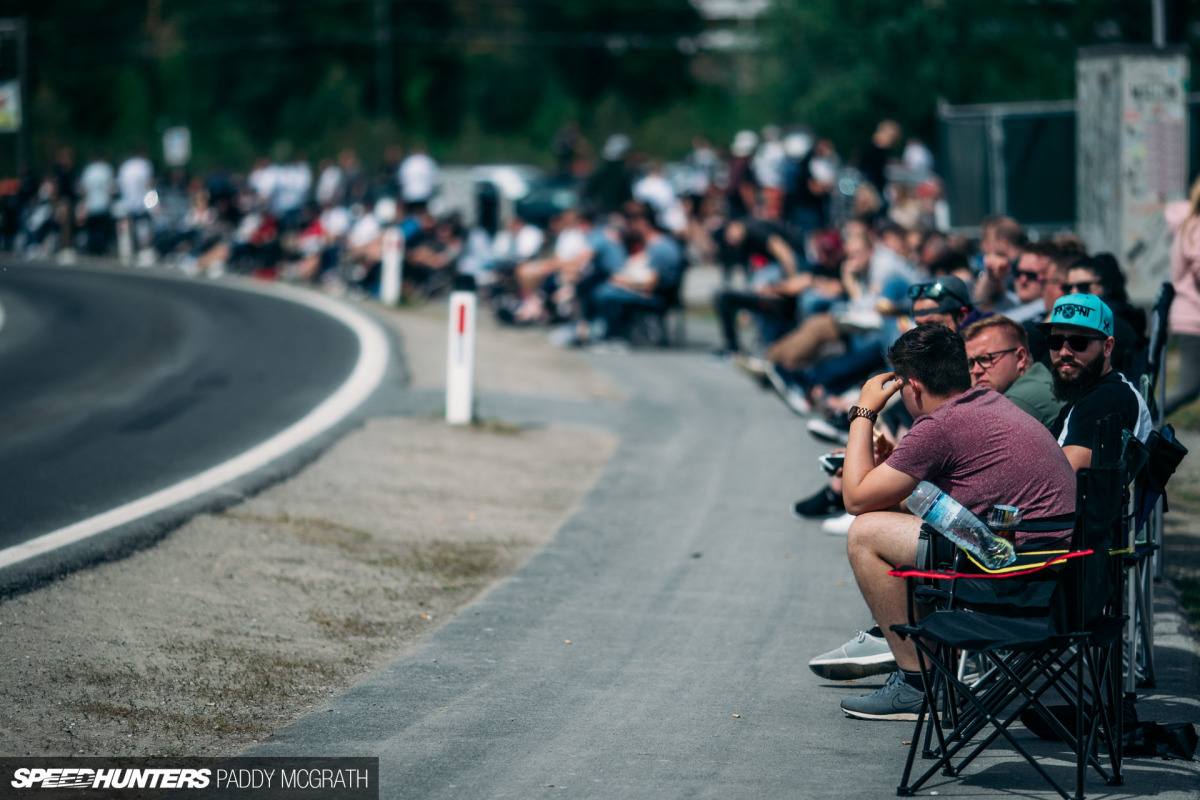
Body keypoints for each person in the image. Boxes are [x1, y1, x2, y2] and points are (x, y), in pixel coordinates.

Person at [835, 324, 1077, 720]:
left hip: (1015, 576)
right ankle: (932, 671)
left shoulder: (940, 426)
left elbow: (855, 499)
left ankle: (919, 684)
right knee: (896, 519)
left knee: (866, 534)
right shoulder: (987, 403)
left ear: (912, 387)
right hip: (1063, 574)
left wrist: (863, 413)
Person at [1042, 294, 1153, 471]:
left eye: (1078, 342)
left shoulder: (1106, 399)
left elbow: (1061, 479)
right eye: (1055, 341)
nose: (1064, 352)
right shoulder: (1086, 394)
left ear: (1107, 347)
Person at [962, 315, 1063, 428]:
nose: (976, 370)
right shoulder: (1039, 376)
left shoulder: (1018, 400)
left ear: (1020, 357)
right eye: (971, 363)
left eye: (985, 359)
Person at [1165, 181, 1200, 415]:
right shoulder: (1197, 226)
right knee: (1188, 387)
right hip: (1194, 319)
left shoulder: (1189, 224)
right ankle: (1141, 420)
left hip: (1188, 315)